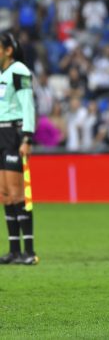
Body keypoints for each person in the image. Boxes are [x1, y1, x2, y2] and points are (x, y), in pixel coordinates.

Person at [0, 33, 37, 265]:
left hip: (14, 134)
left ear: (8, 50)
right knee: (4, 195)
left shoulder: (20, 71)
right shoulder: (2, 75)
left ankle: (29, 251)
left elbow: (28, 104)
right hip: (0, 134)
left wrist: (27, 138)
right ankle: (13, 250)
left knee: (17, 193)